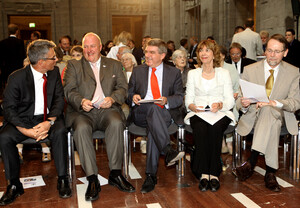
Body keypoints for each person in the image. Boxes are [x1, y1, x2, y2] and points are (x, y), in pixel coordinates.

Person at [63, 32, 135, 201]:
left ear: (101, 47)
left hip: (107, 110)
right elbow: (69, 90)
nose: (89, 50)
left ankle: (116, 174)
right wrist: (81, 101)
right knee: (80, 128)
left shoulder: (115, 64)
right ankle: (92, 178)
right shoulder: (73, 65)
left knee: (117, 123)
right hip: (82, 112)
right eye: (86, 46)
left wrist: (112, 99)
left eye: (92, 46)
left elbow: (123, 88)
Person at [0, 39, 72, 206]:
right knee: (4, 137)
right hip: (23, 120)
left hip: (48, 118)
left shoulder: (54, 74)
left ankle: (63, 179)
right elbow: (8, 108)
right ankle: (13, 184)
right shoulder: (16, 78)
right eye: (53, 58)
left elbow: (59, 100)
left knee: (61, 131)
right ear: (41, 62)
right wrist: (25, 130)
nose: (56, 60)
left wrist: (50, 122)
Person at [235, 34, 300, 192]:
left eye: (277, 51)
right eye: (269, 50)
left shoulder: (293, 72)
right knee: (270, 117)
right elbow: (239, 101)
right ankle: (270, 173)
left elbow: (295, 103)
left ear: (285, 53)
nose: (272, 55)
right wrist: (243, 104)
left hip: (281, 114)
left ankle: (252, 160)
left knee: (269, 110)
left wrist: (274, 103)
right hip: (254, 115)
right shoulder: (250, 70)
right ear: (265, 51)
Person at [128, 38, 185, 193]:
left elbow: (180, 97)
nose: (147, 55)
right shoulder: (138, 70)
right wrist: (133, 97)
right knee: (153, 111)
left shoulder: (173, 73)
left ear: (162, 55)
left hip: (163, 112)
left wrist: (167, 100)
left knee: (154, 121)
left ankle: (151, 175)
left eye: (152, 52)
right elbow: (129, 93)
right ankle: (167, 150)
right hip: (141, 112)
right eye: (146, 51)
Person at [184, 40, 235, 192]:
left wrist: (220, 105)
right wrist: (192, 106)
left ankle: (214, 173)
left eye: (207, 50)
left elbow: (230, 100)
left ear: (214, 54)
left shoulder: (223, 73)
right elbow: (189, 98)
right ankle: (203, 173)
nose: (203, 53)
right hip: (198, 112)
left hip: (220, 112)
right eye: (201, 51)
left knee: (215, 129)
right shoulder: (193, 73)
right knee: (200, 129)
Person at [219, 45, 240, 154]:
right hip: (217, 101)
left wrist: (236, 93)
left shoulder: (231, 68)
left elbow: (237, 85)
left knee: (232, 110)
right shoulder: (212, 68)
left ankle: (229, 142)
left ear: (222, 56)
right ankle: (222, 141)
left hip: (230, 98)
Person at [0, 24, 26, 88]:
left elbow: (1, 57)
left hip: (6, 68)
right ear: (17, 31)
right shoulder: (20, 42)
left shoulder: (3, 42)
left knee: (7, 85)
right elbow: (22, 56)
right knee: (18, 85)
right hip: (17, 68)